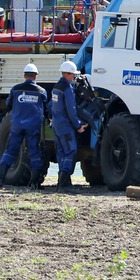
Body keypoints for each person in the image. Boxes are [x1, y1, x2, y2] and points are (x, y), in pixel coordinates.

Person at [0, 63, 50, 189]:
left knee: (10, 151)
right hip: (33, 127)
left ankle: (0, 179)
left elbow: (8, 104)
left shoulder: (16, 89)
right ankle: (35, 183)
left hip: (17, 125)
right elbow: (47, 110)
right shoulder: (41, 91)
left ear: (24, 75)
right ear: (36, 76)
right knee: (34, 153)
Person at [50, 60, 87, 191]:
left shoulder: (56, 88)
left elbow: (52, 107)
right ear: (67, 74)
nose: (74, 77)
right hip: (66, 125)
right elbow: (71, 110)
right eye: (73, 75)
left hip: (57, 125)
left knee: (61, 152)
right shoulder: (67, 89)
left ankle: (61, 182)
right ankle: (65, 183)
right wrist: (78, 125)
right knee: (70, 151)